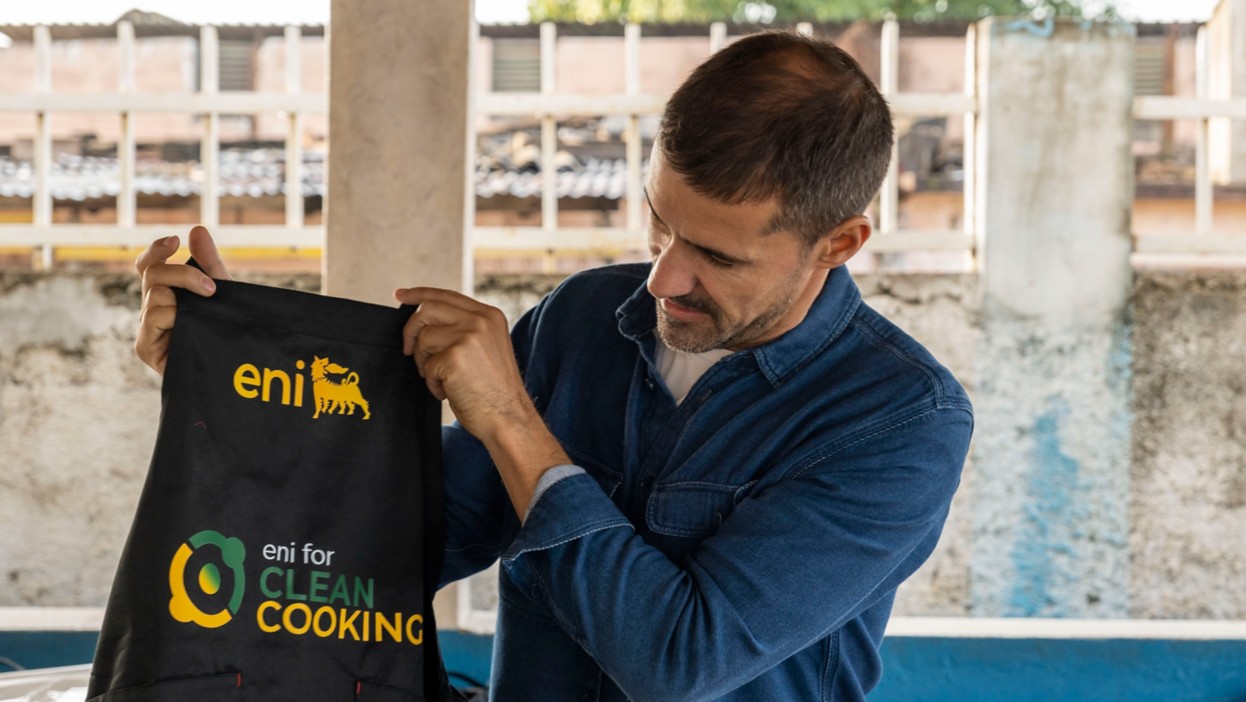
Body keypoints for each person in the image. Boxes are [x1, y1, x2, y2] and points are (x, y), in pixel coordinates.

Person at [135, 31, 972, 702]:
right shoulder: (583, 321)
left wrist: (508, 420)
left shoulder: (900, 421)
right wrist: (233, 381)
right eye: (659, 223)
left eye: (714, 254)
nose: (661, 279)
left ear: (839, 243)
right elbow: (394, 543)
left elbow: (678, 662)